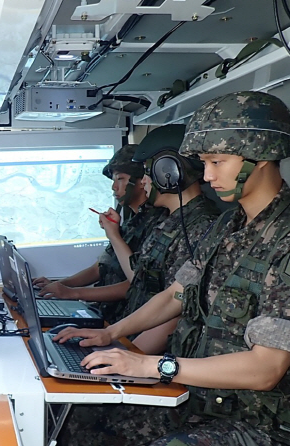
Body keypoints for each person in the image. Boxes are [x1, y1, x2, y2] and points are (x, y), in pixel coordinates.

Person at [55, 91, 290, 446]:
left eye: (217, 162)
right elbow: (176, 295)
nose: (208, 175)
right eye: (203, 163)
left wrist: (154, 366)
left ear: (261, 155)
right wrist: (109, 334)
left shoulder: (285, 238)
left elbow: (266, 369)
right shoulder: (228, 225)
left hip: (260, 421)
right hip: (199, 398)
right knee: (80, 415)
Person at [104, 125, 219, 353]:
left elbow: (176, 308)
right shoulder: (168, 221)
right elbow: (140, 280)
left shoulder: (202, 226)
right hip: (133, 339)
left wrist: (130, 356)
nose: (143, 181)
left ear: (170, 173)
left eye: (148, 173)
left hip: (152, 354)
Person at [35, 144, 167, 323]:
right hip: (106, 314)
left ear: (141, 180)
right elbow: (98, 268)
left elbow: (135, 283)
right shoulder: (131, 222)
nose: (114, 187)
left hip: (125, 320)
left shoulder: (160, 223)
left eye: (120, 179)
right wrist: (59, 285)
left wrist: (72, 293)